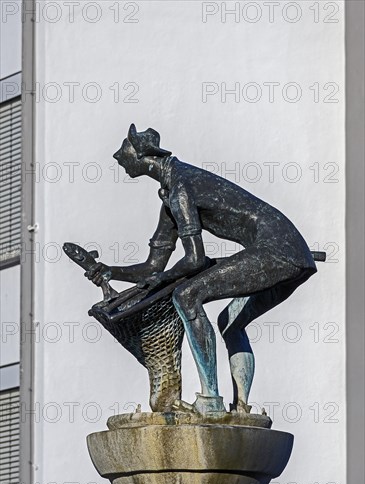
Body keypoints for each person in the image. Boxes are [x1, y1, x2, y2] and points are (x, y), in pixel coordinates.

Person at [87, 124, 317, 414]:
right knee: (230, 323)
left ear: (143, 155)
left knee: (187, 295)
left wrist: (162, 278)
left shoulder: (181, 186)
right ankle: (242, 407)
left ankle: (211, 400)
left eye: (125, 154)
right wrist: (110, 271)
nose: (119, 158)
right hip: (293, 254)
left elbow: (195, 260)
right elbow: (152, 267)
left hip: (279, 250)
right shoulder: (172, 194)